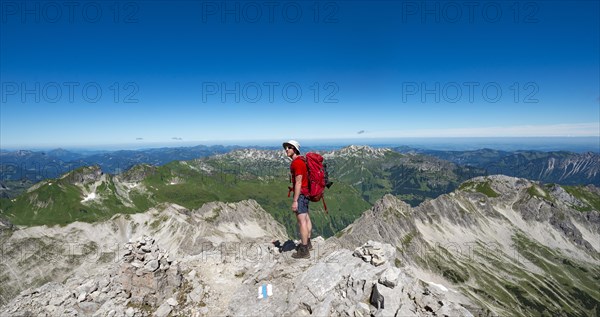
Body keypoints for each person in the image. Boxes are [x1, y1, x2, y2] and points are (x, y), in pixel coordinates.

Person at [283, 140, 313, 259]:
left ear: (295, 149)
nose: (286, 149)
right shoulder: (302, 161)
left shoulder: (297, 163)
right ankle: (308, 243)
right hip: (306, 194)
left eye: (289, 147)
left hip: (301, 195)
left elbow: (298, 182)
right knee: (306, 219)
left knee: (302, 222)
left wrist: (295, 200)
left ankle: (304, 250)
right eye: (286, 147)